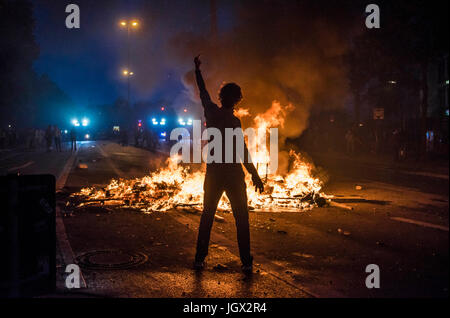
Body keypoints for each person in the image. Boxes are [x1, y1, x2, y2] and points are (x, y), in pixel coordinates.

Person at [193, 55, 264, 275]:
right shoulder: (234, 122)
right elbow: (242, 151)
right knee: (241, 218)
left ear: (222, 97)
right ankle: (246, 261)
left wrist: (197, 71)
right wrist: (254, 174)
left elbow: (203, 92)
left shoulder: (212, 113)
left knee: (207, 216)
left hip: (215, 174)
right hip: (233, 175)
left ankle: (199, 259)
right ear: (237, 100)